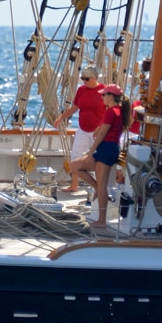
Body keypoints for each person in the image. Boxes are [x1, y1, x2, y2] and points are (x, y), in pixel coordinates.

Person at [72, 84, 126, 229]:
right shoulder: (118, 111)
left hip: (106, 148)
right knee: (75, 166)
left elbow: (103, 133)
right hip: (109, 148)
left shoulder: (111, 111)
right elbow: (106, 128)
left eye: (104, 95)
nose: (102, 97)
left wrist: (91, 151)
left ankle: (102, 220)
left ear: (111, 96)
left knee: (102, 184)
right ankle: (96, 188)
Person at [52, 67, 104, 192]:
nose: (84, 81)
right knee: (75, 157)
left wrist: (102, 126)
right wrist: (61, 117)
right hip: (83, 130)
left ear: (95, 78)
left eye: (87, 79)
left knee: (99, 160)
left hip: (99, 131)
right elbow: (74, 108)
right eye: (82, 78)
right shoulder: (81, 90)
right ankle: (74, 185)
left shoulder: (104, 91)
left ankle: (99, 187)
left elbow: (110, 112)